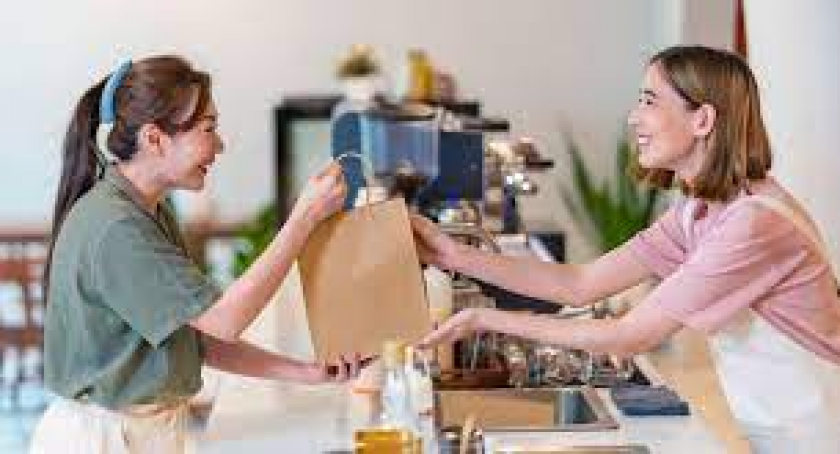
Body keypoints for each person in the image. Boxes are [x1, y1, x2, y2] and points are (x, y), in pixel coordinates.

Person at [412, 46, 840, 453]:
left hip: (821, 431)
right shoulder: (697, 212)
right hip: (775, 425)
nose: (634, 118)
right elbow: (580, 283)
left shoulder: (754, 223)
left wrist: (485, 319)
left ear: (703, 120)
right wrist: (453, 254)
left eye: (649, 101)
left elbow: (629, 336)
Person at [30, 56, 360, 453]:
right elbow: (224, 321)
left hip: (142, 431)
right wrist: (302, 219)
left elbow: (195, 338)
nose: (220, 145)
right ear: (154, 138)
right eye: (208, 128)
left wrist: (306, 373)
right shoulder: (117, 227)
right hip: (105, 440)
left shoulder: (148, 210)